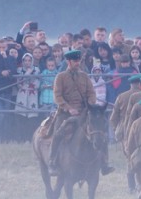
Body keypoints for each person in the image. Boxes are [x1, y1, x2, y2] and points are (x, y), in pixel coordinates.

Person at [48, 49, 114, 177]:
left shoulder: (84, 76)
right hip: (65, 112)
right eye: (75, 61)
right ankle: (52, 162)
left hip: (84, 111)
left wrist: (89, 106)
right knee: (58, 133)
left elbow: (91, 93)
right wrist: (69, 108)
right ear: (68, 61)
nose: (77, 63)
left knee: (100, 131)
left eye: (78, 61)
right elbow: (57, 96)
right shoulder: (60, 77)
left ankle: (104, 163)